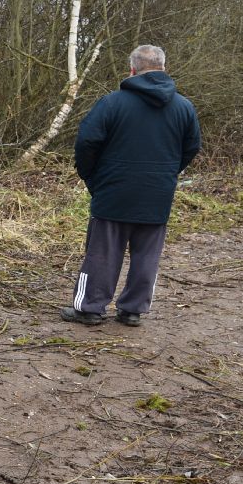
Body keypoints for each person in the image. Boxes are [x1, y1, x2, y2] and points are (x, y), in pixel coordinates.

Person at [61, 44, 201, 328]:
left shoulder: (112, 103)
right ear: (163, 68)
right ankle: (132, 310)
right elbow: (191, 147)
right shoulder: (184, 107)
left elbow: (87, 142)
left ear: (132, 70)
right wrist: (167, 173)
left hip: (113, 190)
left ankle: (90, 308)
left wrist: (93, 178)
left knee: (102, 253)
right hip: (157, 193)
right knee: (147, 256)